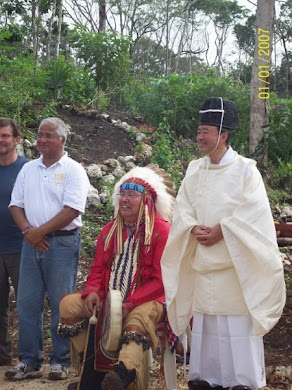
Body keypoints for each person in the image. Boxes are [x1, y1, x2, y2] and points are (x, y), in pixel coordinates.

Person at [161, 97, 286, 390]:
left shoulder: (246, 171)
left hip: (235, 270)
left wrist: (223, 230)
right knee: (208, 332)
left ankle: (242, 383)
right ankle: (206, 381)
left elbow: (254, 214)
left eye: (205, 131)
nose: (199, 137)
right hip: (204, 265)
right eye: (199, 130)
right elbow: (183, 206)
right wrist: (191, 227)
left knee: (237, 332)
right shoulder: (194, 169)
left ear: (223, 135)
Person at [58, 164, 176, 390]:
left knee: (137, 318)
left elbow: (161, 280)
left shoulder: (161, 231)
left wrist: (128, 303)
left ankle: (122, 375)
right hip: (110, 298)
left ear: (147, 201)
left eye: (132, 195)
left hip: (149, 300)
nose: (124, 199)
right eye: (122, 194)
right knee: (68, 306)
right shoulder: (110, 230)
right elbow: (98, 269)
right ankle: (91, 369)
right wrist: (92, 291)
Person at [4, 117, 90, 381]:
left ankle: (60, 361)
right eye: (40, 135)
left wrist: (40, 232)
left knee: (61, 304)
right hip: (30, 244)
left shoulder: (74, 170)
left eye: (49, 135)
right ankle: (29, 361)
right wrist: (30, 233)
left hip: (62, 243)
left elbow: (73, 208)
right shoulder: (28, 169)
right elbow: (15, 205)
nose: (42, 139)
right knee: (27, 304)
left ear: (62, 139)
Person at [0, 118, 29, 366]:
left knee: (26, 305)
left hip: (23, 247)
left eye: (6, 136)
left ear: (16, 140)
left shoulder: (28, 169)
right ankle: (3, 356)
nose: (1, 140)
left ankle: (30, 357)